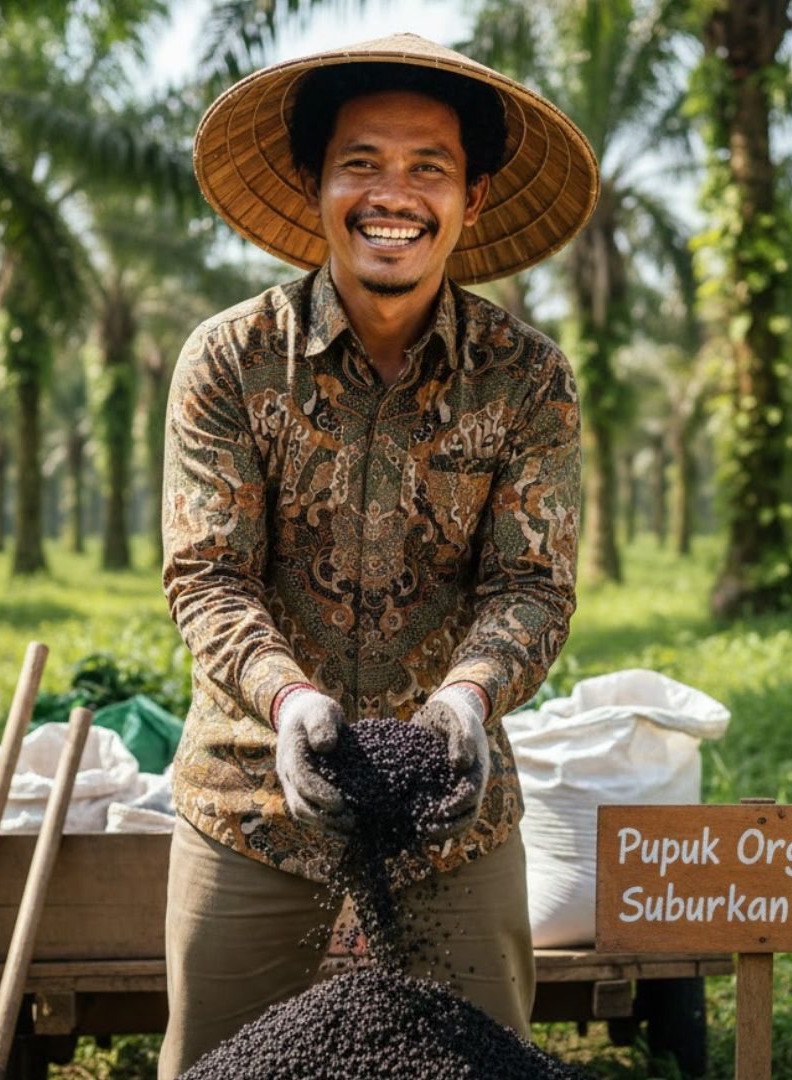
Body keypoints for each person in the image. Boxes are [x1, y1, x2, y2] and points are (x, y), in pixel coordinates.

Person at [157, 33, 598, 1077]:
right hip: (251, 803)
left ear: (473, 199)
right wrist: (290, 703)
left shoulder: (529, 379)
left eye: (427, 167)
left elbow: (530, 585)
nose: (390, 194)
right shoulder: (230, 360)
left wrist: (466, 704)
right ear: (316, 183)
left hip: (452, 810)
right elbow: (207, 573)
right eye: (361, 162)